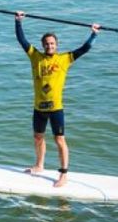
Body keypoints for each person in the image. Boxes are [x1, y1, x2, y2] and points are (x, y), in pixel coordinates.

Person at [15, 11, 100, 187]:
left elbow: (85, 49)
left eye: (52, 43)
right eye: (47, 44)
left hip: (55, 108)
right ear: (43, 45)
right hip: (39, 107)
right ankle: (39, 165)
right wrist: (18, 21)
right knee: (38, 137)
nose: (49, 46)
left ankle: (63, 174)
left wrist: (93, 33)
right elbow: (22, 40)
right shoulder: (35, 56)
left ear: (57, 45)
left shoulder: (65, 59)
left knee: (59, 140)